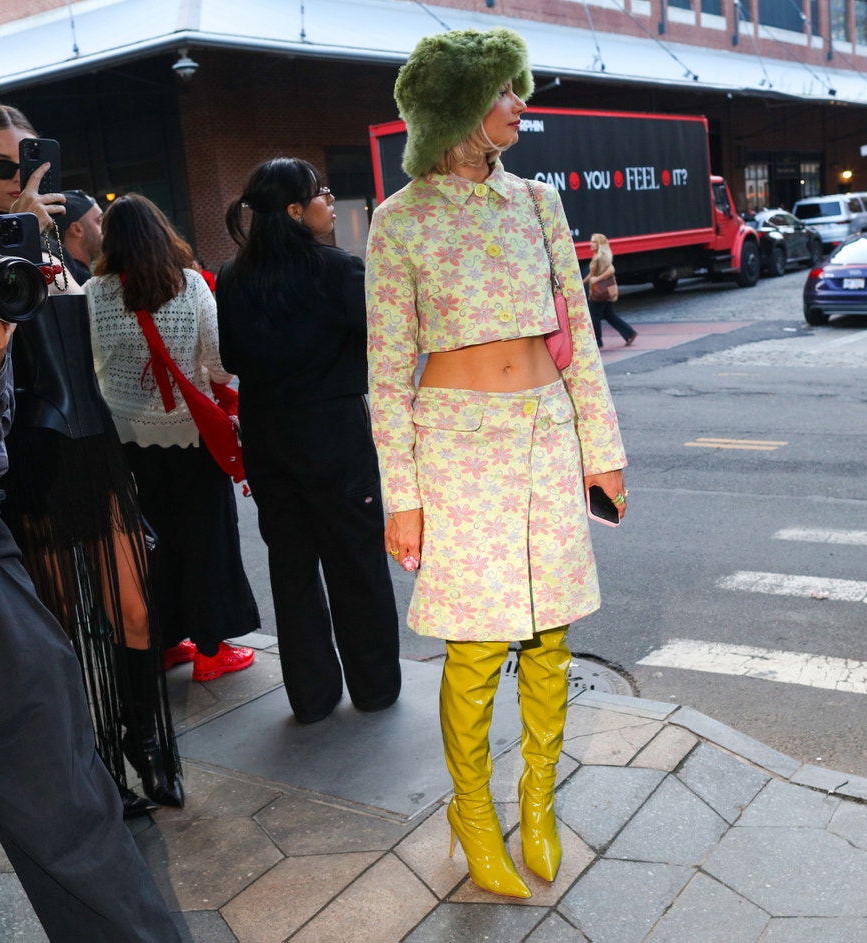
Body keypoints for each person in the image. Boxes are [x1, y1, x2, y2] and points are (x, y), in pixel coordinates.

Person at [368, 27, 627, 898]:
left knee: (551, 636)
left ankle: (539, 798)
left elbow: (579, 339)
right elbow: (384, 372)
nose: (524, 104)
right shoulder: (398, 222)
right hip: (455, 447)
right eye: (509, 92)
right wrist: (400, 496)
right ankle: (473, 810)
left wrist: (604, 448)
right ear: (458, 109)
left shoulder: (539, 203)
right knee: (477, 648)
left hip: (546, 432)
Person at [0, 103, 182, 814]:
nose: (17, 178)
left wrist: (49, 243)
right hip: (28, 456)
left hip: (95, 445)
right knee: (61, 622)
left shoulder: (64, 246)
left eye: (24, 160)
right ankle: (96, 759)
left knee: (134, 598)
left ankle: (145, 740)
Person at [0, 236, 182, 943]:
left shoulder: (26, 275)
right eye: (1, 168)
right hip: (42, 479)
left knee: (67, 806)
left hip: (42, 484)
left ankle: (143, 745)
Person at [217, 158, 401, 724]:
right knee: (356, 564)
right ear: (296, 210)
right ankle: (372, 688)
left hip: (269, 438)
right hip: (336, 434)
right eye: (322, 192)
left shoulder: (231, 276)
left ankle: (313, 696)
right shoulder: (339, 270)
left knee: (292, 569)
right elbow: (384, 342)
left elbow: (231, 360)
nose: (331, 200)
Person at [85, 194, 260, 684]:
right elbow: (219, 362)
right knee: (207, 539)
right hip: (191, 435)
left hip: (124, 438)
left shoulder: (94, 293)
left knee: (148, 542)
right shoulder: (190, 286)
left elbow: (90, 362)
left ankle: (162, 642)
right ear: (163, 230)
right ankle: (210, 652)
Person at [582, 233, 636, 348]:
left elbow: (611, 269)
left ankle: (598, 341)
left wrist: (597, 279)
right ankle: (629, 333)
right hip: (603, 291)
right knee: (609, 315)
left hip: (600, 292)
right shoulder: (597, 256)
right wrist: (583, 282)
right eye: (591, 241)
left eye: (593, 242)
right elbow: (592, 275)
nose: (590, 244)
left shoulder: (600, 257)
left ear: (599, 244)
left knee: (594, 315)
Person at [54, 188, 103, 285]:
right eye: (99, 221)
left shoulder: (61, 273)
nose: (105, 230)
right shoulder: (79, 280)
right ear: (77, 230)